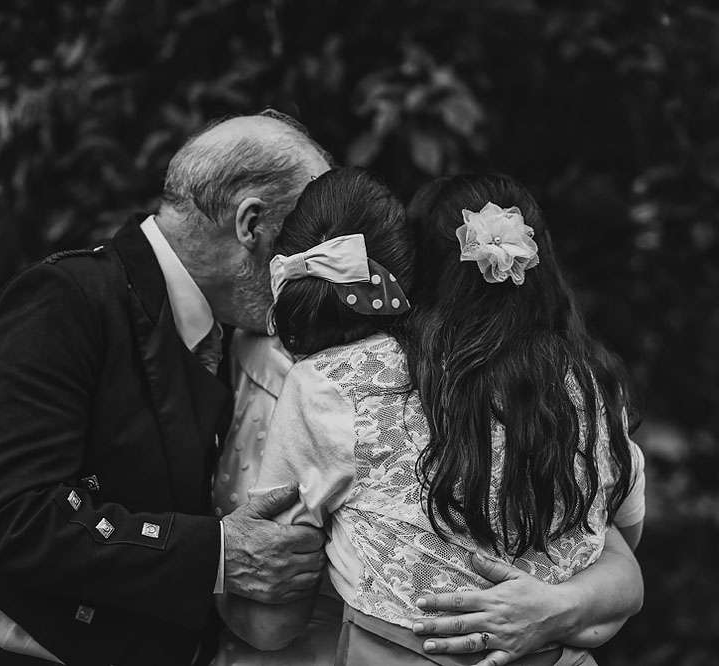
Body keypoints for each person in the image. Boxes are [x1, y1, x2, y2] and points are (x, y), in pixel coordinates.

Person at [0, 112, 332, 666]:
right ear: (252, 224)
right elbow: (7, 514)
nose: (315, 272)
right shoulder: (65, 298)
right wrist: (216, 554)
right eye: (308, 241)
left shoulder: (227, 337)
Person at [223, 169, 646, 665]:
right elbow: (621, 552)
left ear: (414, 271)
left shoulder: (336, 385)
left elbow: (271, 622)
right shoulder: (594, 390)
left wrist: (210, 561)